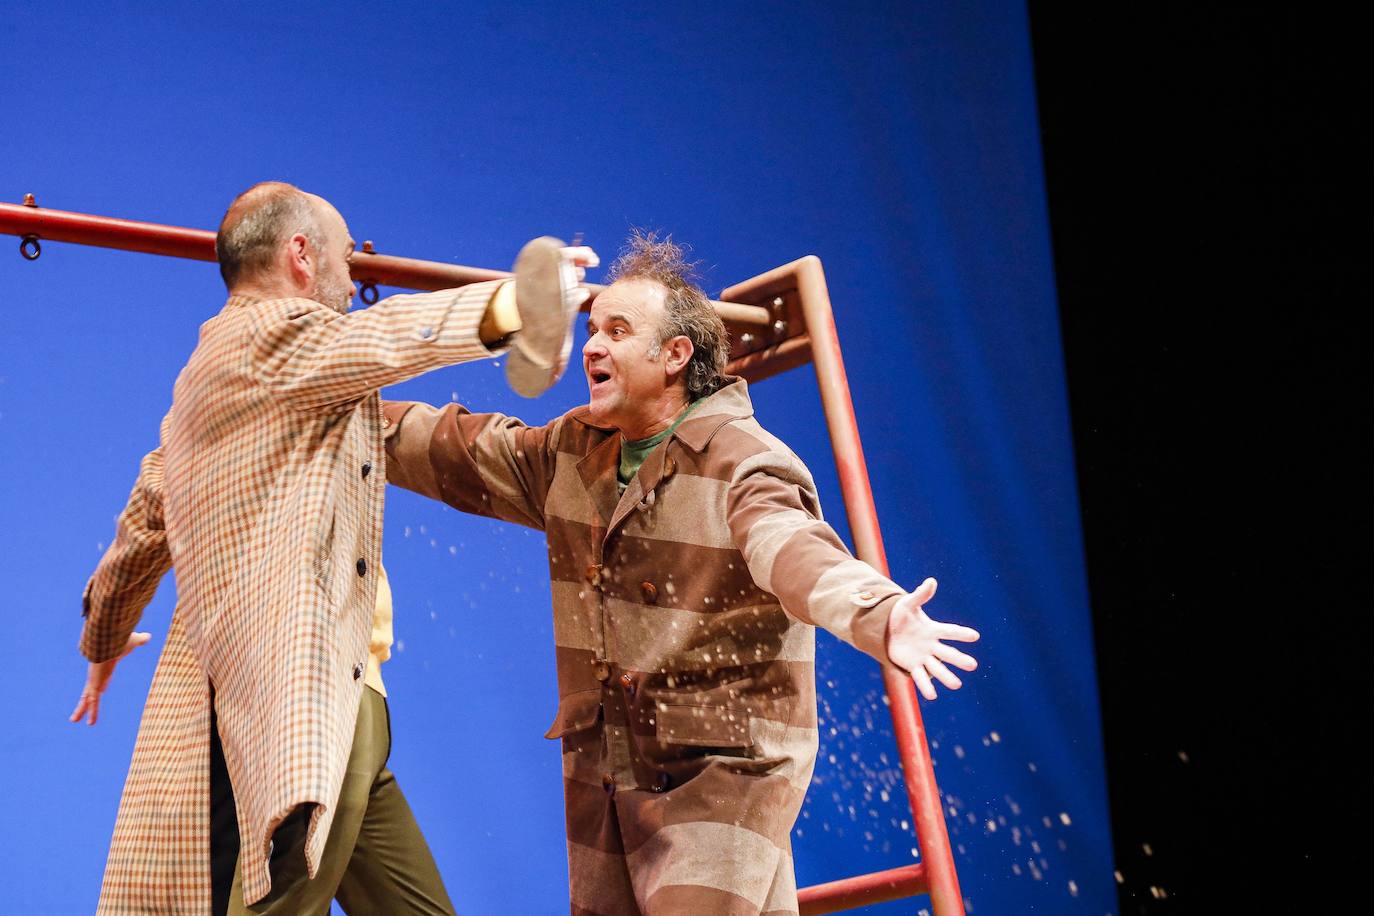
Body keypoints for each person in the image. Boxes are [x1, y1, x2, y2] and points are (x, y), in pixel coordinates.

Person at [380, 231, 981, 915]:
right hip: (608, 773)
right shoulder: (576, 451)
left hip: (721, 774)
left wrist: (879, 613)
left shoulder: (743, 460)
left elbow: (791, 547)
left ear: (674, 355)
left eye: (617, 330)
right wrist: (341, 413)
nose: (592, 347)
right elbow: (463, 450)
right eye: (592, 328)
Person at [70, 180, 596, 914]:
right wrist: (515, 305)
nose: (355, 282)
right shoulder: (269, 338)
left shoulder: (204, 388)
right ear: (300, 257)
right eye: (347, 259)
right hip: (307, 703)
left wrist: (103, 637)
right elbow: (374, 340)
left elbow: (141, 530)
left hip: (322, 713)